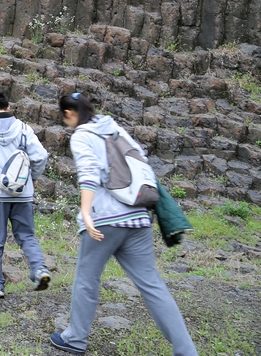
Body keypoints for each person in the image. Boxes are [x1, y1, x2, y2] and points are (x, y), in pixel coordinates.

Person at [50, 93, 198, 356]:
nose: (65, 121)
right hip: (139, 217)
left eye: (64, 116)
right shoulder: (116, 129)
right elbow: (143, 163)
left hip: (106, 219)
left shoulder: (83, 135)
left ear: (70, 113)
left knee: (86, 278)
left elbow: (89, 172)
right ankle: (186, 351)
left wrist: (85, 212)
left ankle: (75, 339)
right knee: (152, 284)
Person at [0, 91, 51, 298]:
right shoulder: (24, 129)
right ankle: (39, 269)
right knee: (26, 235)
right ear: (8, 107)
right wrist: (33, 178)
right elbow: (41, 156)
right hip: (23, 193)